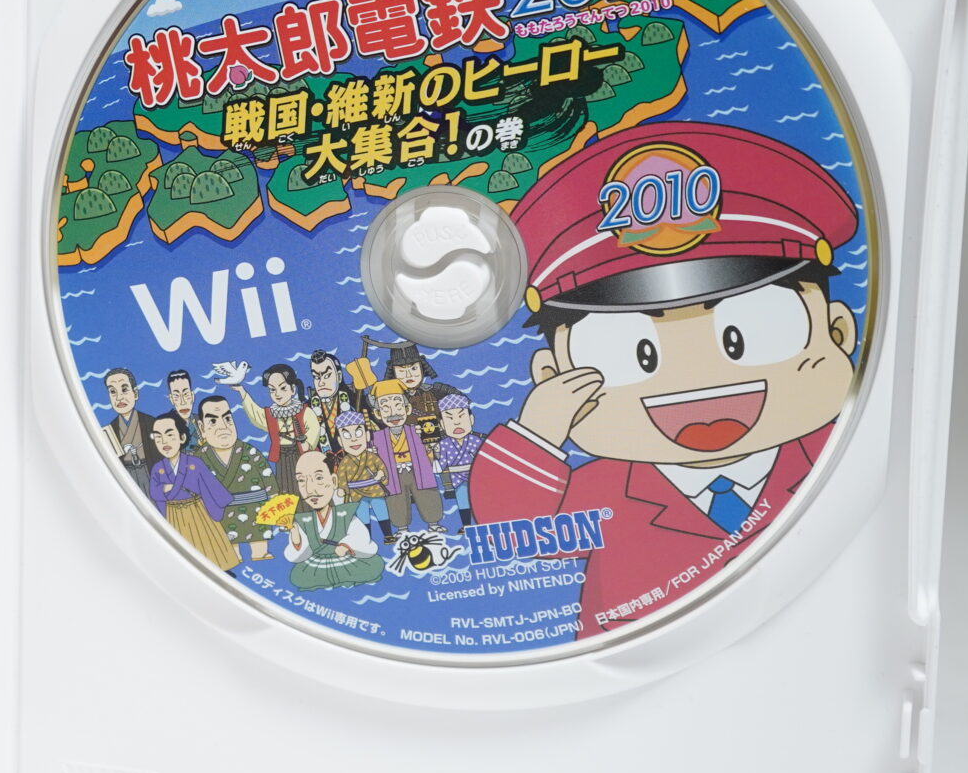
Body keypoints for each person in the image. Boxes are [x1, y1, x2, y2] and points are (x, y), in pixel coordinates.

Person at [470, 123, 862, 640]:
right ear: (551, 377)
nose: (697, 380)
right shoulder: (605, 490)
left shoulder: (838, 456)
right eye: (636, 353)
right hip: (624, 675)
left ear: (836, 332)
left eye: (742, 336)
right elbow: (515, 534)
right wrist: (536, 436)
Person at [143, 409, 236, 569]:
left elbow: (211, 485)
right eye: (158, 437)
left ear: (182, 437)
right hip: (173, 514)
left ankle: (219, 568)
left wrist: (220, 504)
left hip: (197, 511)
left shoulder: (194, 463)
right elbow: (154, 493)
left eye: (170, 435)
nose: (164, 442)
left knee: (208, 544)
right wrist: (165, 488)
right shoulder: (158, 468)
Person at [282, 449, 385, 590]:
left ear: (334, 481)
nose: (310, 489)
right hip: (317, 564)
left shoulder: (345, 514)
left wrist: (346, 545)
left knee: (374, 566)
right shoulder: (302, 520)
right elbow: (299, 555)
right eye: (301, 480)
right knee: (298, 577)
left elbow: (361, 537)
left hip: (346, 560)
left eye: (319, 478)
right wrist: (296, 538)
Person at [196, 392, 278, 562]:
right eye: (213, 421)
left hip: (255, 509)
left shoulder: (250, 452)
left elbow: (268, 478)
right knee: (229, 546)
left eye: (227, 419)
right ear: (202, 428)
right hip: (223, 513)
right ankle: (233, 556)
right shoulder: (199, 459)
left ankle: (260, 554)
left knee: (259, 542)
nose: (223, 427)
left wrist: (276, 503)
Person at [369, 379, 447, 534]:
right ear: (377, 413)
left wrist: (431, 445)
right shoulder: (376, 437)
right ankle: (401, 527)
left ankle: (433, 523)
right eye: (386, 409)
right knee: (395, 497)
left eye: (398, 406)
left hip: (417, 469)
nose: (393, 413)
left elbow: (430, 449)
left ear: (407, 408)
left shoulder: (416, 430)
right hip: (392, 472)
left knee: (426, 492)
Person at [233, 362, 310, 494]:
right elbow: (256, 414)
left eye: (283, 388)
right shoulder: (271, 414)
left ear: (293, 389)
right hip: (282, 457)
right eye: (272, 390)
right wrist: (242, 392)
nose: (277, 394)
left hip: (301, 454)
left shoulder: (304, 411)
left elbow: (313, 429)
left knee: (306, 485)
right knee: (286, 487)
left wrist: (309, 443)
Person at [432, 393, 481, 524]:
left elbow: (482, 462)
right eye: (450, 419)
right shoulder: (444, 445)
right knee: (463, 500)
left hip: (476, 478)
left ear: (471, 419)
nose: (456, 422)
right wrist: (433, 456)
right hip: (457, 480)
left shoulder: (475, 441)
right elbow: (441, 466)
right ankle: (466, 525)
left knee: (480, 500)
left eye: (461, 416)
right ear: (442, 424)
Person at [100, 367, 151, 486]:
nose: (119, 397)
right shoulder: (110, 430)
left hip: (150, 473)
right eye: (113, 392)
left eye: (124, 389)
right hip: (123, 476)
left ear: (135, 393)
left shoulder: (151, 423)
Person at [300, 350, 354, 452]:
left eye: (327, 376)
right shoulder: (306, 409)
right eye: (316, 377)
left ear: (339, 377)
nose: (321, 383)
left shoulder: (354, 400)